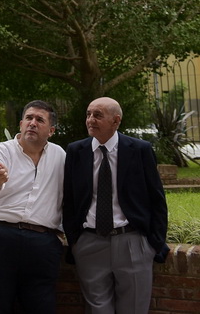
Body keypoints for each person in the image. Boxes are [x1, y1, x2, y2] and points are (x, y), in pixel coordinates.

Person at [62, 96, 169, 314]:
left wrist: (153, 244)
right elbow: (69, 199)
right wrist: (75, 241)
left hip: (132, 242)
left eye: (98, 115)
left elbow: (156, 199)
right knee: (97, 310)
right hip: (89, 243)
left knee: (134, 309)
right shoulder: (76, 151)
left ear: (116, 120)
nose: (90, 119)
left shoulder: (139, 150)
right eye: (88, 114)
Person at [0, 100, 66, 314]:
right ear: (20, 124)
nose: (32, 123)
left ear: (51, 131)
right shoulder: (2, 150)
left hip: (42, 242)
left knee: (42, 305)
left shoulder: (60, 156)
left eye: (39, 120)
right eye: (29, 118)